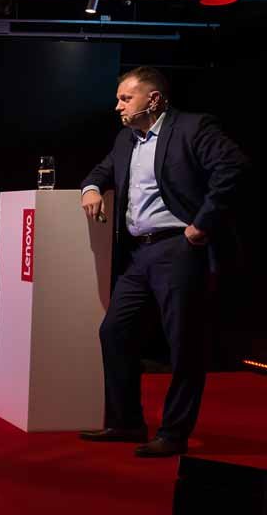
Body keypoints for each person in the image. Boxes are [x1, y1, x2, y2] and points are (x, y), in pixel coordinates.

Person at [80, 66, 251, 458]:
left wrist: (202, 223)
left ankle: (174, 433)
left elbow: (234, 166)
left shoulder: (192, 127)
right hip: (139, 254)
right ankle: (126, 422)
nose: (118, 106)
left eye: (126, 98)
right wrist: (91, 188)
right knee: (114, 332)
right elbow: (102, 170)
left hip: (178, 248)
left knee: (183, 344)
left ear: (153, 99)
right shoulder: (125, 139)